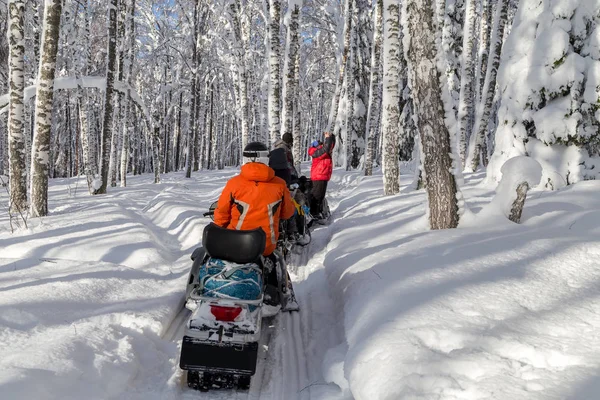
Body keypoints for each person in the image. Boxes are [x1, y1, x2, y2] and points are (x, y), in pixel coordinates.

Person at [213, 141, 297, 309]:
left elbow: (221, 215)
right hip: (264, 246)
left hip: (234, 243)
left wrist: (221, 227)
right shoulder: (279, 184)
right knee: (274, 258)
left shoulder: (234, 183)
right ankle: (274, 293)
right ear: (267, 159)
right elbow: (288, 213)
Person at [308, 131, 335, 219]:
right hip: (318, 176)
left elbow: (330, 147)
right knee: (317, 196)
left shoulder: (321, 151)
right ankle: (314, 213)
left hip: (323, 176)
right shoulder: (316, 152)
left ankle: (318, 212)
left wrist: (331, 137)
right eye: (320, 144)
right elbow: (326, 149)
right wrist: (328, 138)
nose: (322, 145)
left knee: (321, 196)